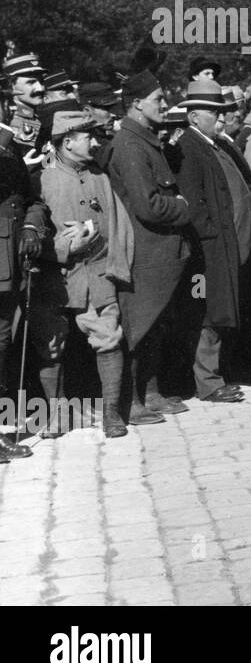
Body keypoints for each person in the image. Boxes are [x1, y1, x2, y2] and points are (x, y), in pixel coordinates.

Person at [28, 110, 136, 438]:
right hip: (56, 281)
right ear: (68, 142)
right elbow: (31, 238)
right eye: (87, 136)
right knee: (49, 344)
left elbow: (118, 224)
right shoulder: (41, 181)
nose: (94, 141)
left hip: (98, 274)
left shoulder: (100, 178)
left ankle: (112, 414)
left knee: (109, 337)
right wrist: (63, 247)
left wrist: (93, 230)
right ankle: (58, 414)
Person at [106, 69, 192, 419]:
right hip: (145, 254)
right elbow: (148, 205)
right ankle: (131, 401)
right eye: (158, 99)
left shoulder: (144, 140)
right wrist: (182, 208)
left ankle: (151, 392)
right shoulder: (129, 145)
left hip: (160, 255)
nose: (164, 104)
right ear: (137, 103)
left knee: (154, 327)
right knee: (138, 329)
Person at [170, 80, 251, 405]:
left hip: (219, 247)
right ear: (193, 117)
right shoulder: (190, 148)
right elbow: (193, 203)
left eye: (222, 113)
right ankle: (207, 382)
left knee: (217, 310)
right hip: (206, 251)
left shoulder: (211, 144)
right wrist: (212, 239)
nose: (221, 119)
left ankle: (213, 375)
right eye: (213, 113)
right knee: (206, 313)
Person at [0, 123, 45, 458]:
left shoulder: (9, 145)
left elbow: (30, 199)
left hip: (9, 261)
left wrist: (31, 225)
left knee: (2, 340)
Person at [4, 53, 47, 166]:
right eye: (31, 82)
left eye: (41, 81)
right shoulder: (12, 120)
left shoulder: (32, 116)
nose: (40, 88)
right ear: (12, 85)